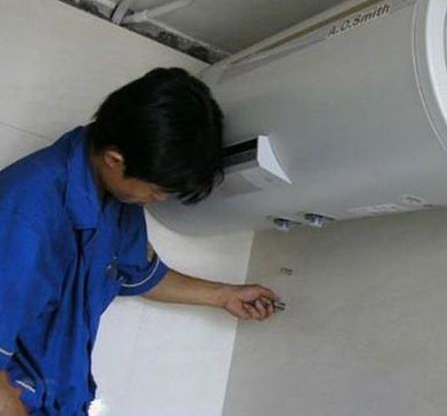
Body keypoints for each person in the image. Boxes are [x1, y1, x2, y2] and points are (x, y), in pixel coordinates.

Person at [0, 68, 279, 415]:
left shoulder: (117, 200)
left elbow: (136, 273)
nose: (159, 199)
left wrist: (224, 295)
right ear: (114, 160)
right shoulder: (24, 211)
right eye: (158, 190)